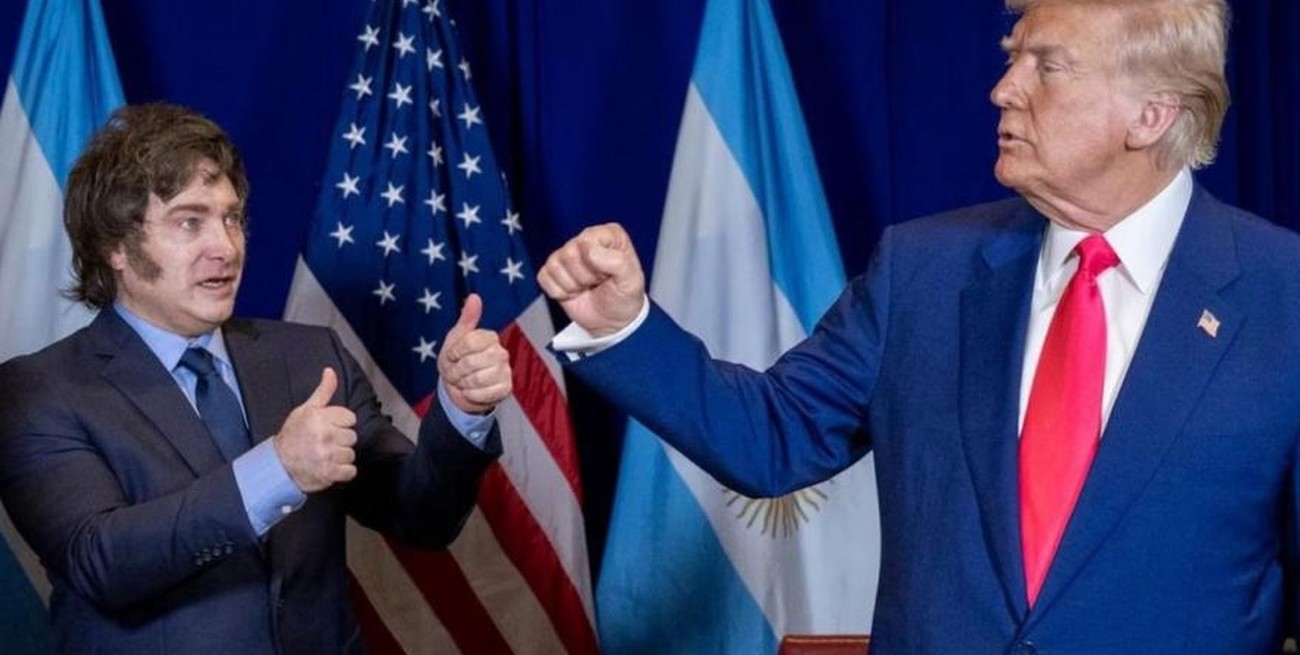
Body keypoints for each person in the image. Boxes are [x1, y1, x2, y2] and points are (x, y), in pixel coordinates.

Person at [540, 0, 1300, 652]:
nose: (1003, 88)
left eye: (1047, 67)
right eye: (1013, 58)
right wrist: (625, 327)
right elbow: (771, 436)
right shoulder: (923, 271)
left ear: (1151, 115)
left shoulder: (1283, 297)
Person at [0, 103, 511, 654]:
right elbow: (100, 561)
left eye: (232, 218)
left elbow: (420, 516)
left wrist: (461, 411)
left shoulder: (310, 355)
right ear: (116, 247)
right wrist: (279, 470)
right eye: (190, 222)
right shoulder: (40, 390)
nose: (226, 247)